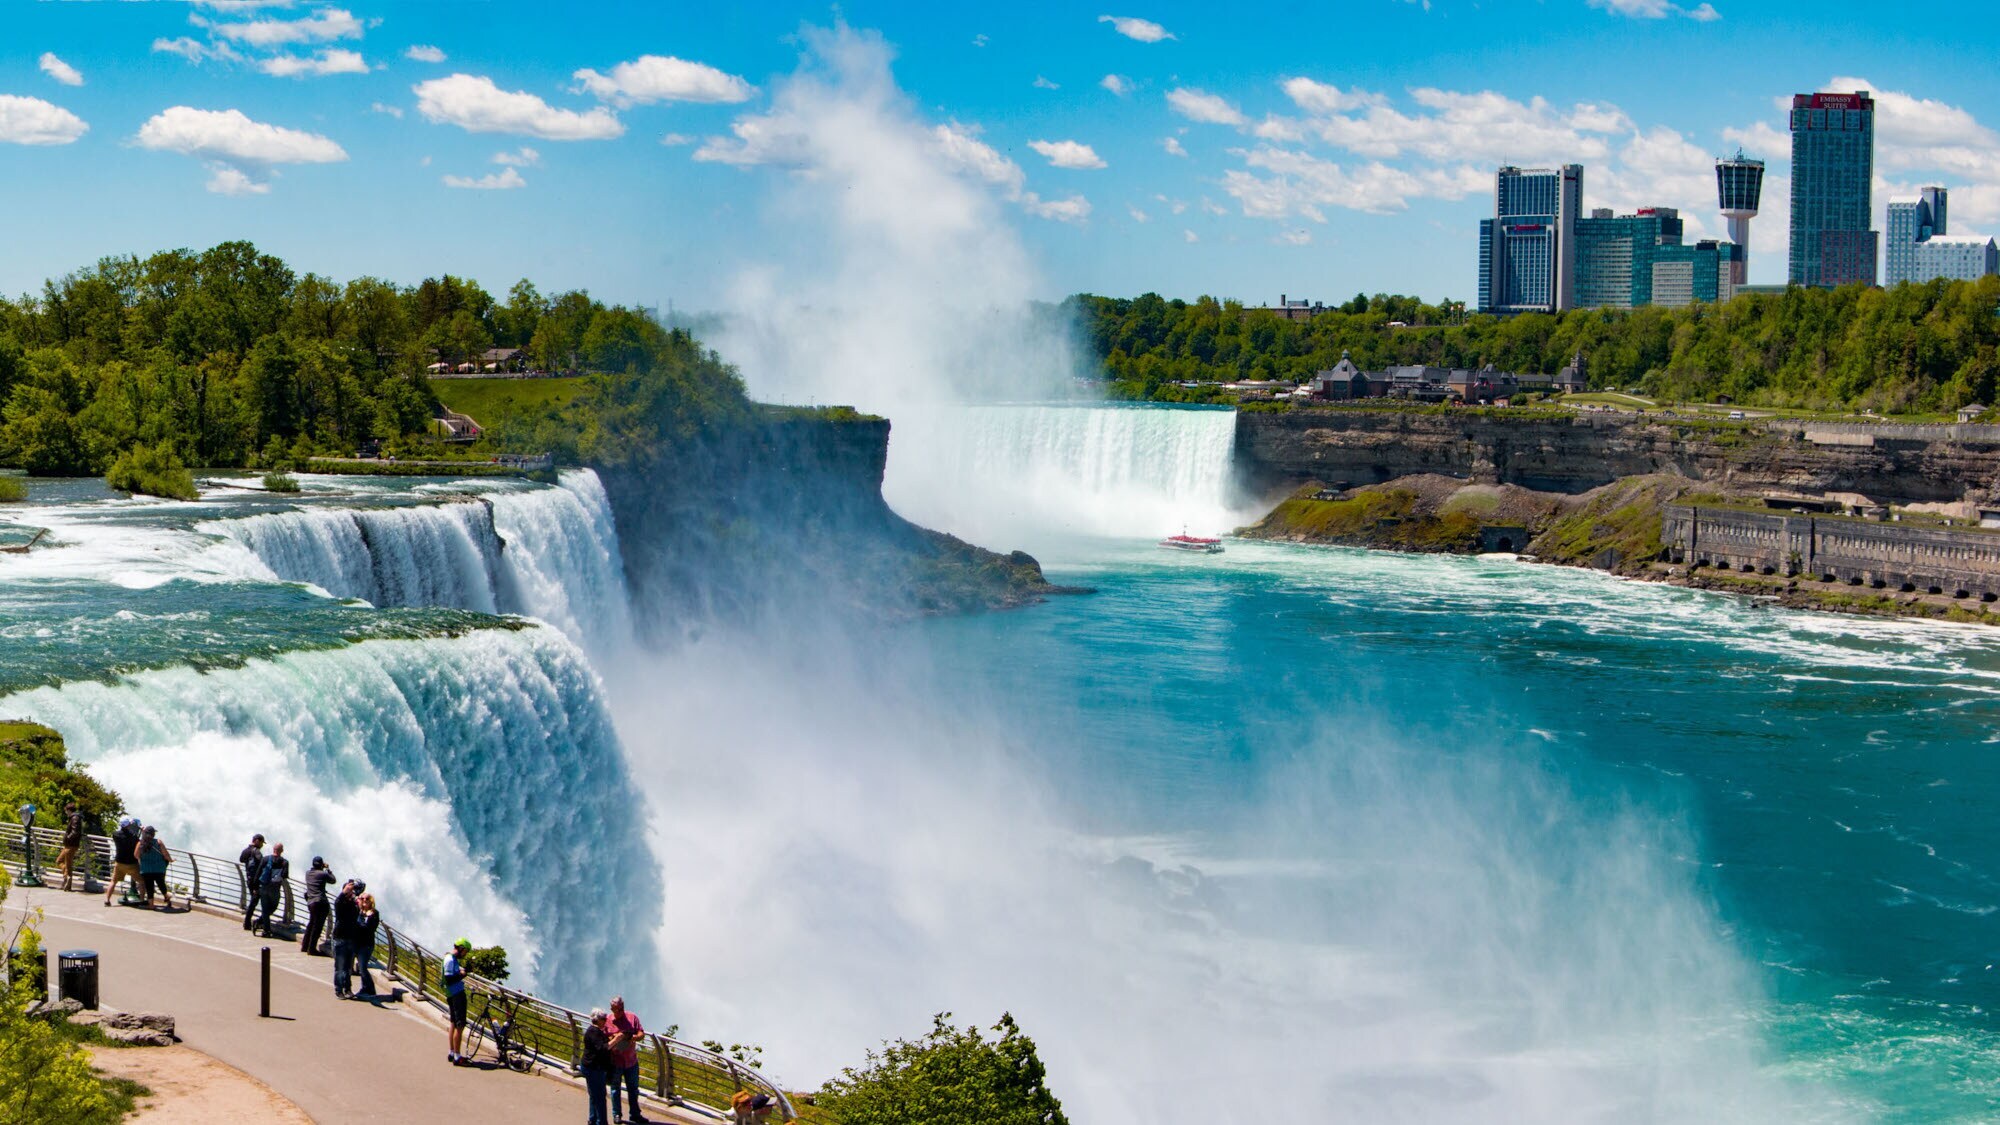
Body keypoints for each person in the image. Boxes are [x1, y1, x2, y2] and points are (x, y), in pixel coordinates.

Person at [606, 995, 648, 1124]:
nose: (619, 1012)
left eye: (620, 1009)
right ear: (612, 1009)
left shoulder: (632, 1017)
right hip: (615, 1062)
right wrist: (614, 1038)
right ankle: (617, 1114)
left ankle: (635, 1114)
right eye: (616, 1009)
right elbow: (603, 1037)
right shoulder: (608, 1020)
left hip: (631, 1061)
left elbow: (641, 1033)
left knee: (633, 1090)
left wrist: (633, 1038)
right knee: (615, 1089)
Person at [580, 1008, 614, 1125]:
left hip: (590, 1067)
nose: (605, 1021)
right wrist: (617, 1040)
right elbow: (602, 1048)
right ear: (597, 1020)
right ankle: (602, 1122)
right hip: (594, 1068)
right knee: (600, 1097)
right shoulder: (594, 1032)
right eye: (603, 1019)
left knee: (594, 1095)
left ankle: (593, 1119)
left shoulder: (595, 1031)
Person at [331, 878, 363, 998]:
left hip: (351, 938)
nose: (352, 893)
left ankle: (348, 988)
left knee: (348, 967)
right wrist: (345, 892)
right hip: (340, 937)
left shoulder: (354, 905)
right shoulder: (341, 904)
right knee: (340, 966)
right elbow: (338, 901)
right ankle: (339, 990)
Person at [444, 938, 472, 1063]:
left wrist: (462, 971)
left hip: (452, 993)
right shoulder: (450, 960)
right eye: (465, 951)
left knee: (453, 1023)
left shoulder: (450, 958)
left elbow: (453, 974)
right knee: (459, 1026)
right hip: (456, 994)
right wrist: (464, 973)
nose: (465, 954)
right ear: (461, 948)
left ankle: (451, 1052)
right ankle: (457, 1056)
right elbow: (450, 978)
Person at [252, 842, 289, 937]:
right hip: (275, 888)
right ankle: (260, 922)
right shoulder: (284, 862)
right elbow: (285, 875)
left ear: (273, 849)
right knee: (273, 907)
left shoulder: (265, 859)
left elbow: (258, 872)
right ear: (282, 851)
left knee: (265, 909)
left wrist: (255, 887)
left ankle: (266, 930)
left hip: (263, 886)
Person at [300, 857, 335, 955]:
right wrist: (328, 869)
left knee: (311, 924)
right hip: (320, 902)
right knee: (317, 927)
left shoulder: (308, 873)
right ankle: (311, 949)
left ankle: (305, 946)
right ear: (321, 864)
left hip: (311, 902)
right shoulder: (322, 874)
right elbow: (333, 880)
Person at [103, 818, 141, 906]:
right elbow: (138, 842)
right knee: (142, 882)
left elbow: (118, 833)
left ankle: (107, 900)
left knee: (113, 881)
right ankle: (142, 899)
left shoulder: (115, 835)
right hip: (132, 863)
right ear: (128, 825)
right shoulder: (133, 836)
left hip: (119, 863)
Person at [137, 826, 174, 910]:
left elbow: (136, 855)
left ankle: (151, 905)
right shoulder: (158, 842)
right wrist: (171, 860)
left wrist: (143, 859)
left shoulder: (140, 843)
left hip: (146, 869)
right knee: (161, 884)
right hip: (159, 868)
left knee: (149, 887)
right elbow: (165, 854)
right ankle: (167, 897)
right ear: (153, 834)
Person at [353, 892, 381, 998]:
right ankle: (366, 988)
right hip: (357, 943)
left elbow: (369, 928)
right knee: (361, 966)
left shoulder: (374, 913)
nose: (364, 900)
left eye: (367, 899)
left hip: (367, 944)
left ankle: (369, 988)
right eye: (362, 898)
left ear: (371, 901)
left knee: (363, 967)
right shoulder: (358, 911)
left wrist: (366, 918)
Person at [239, 834, 266, 930]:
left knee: (254, 900)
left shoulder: (246, 850)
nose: (262, 845)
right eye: (262, 842)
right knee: (257, 900)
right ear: (257, 841)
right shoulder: (256, 851)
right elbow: (262, 863)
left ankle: (249, 922)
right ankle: (248, 922)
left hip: (249, 879)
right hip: (256, 881)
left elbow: (241, 859)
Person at [56, 802, 84, 891]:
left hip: (71, 845)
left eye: (66, 811)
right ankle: (66, 878)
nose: (66, 813)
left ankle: (67, 883)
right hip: (69, 845)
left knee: (68, 865)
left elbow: (75, 832)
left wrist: (67, 838)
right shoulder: (74, 817)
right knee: (59, 861)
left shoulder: (75, 818)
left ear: (68, 810)